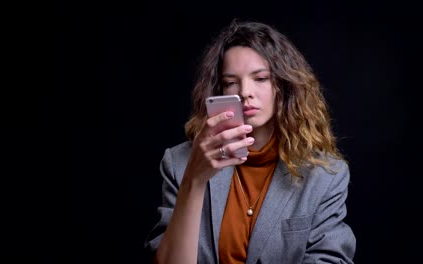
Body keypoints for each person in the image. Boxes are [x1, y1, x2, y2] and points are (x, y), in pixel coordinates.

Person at [145, 19, 356, 264]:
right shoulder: (180, 163)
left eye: (260, 78)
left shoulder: (325, 175)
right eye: (231, 82)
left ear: (284, 86)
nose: (245, 91)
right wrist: (195, 179)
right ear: (218, 91)